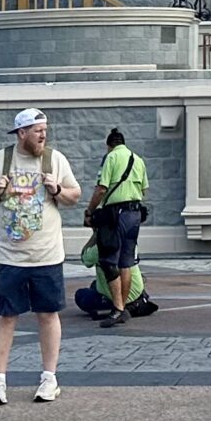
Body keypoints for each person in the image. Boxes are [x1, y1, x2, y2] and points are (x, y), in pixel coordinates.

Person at [0, 106, 79, 404]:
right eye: (37, 130)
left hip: (47, 255)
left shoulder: (54, 159)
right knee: (6, 316)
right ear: (22, 133)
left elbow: (74, 195)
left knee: (48, 314)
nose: (43, 135)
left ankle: (49, 378)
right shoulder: (0, 160)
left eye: (45, 130)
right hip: (10, 256)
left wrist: (57, 189)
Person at [85, 127, 155, 328]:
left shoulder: (111, 158)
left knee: (108, 260)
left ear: (109, 145)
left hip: (116, 215)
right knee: (126, 261)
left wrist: (90, 210)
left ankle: (117, 309)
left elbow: (101, 189)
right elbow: (144, 189)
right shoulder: (138, 159)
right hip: (134, 214)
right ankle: (122, 308)